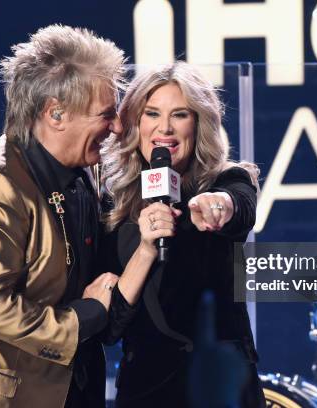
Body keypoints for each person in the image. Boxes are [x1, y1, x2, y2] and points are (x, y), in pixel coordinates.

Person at [0, 25, 126, 407]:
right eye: (106, 114)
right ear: (56, 114)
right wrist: (84, 319)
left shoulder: (86, 168)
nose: (117, 127)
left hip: (73, 389)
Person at [98, 62, 265, 407]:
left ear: (198, 122)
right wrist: (145, 248)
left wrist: (219, 205)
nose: (165, 129)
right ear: (135, 122)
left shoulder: (225, 180)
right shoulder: (111, 202)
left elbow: (239, 205)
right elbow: (110, 327)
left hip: (221, 386)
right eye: (152, 114)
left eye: (180, 115)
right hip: (146, 389)